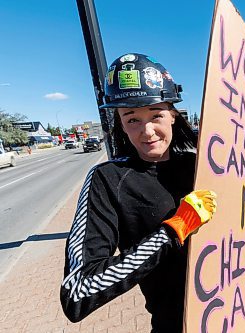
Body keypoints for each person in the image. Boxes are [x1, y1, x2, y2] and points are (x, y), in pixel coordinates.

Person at [60, 53, 217, 332]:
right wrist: (173, 231)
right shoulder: (107, 180)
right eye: (132, 119)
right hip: (174, 324)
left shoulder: (201, 166)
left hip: (236, 312)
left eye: (156, 114)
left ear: (172, 115)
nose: (147, 131)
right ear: (120, 123)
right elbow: (77, 292)